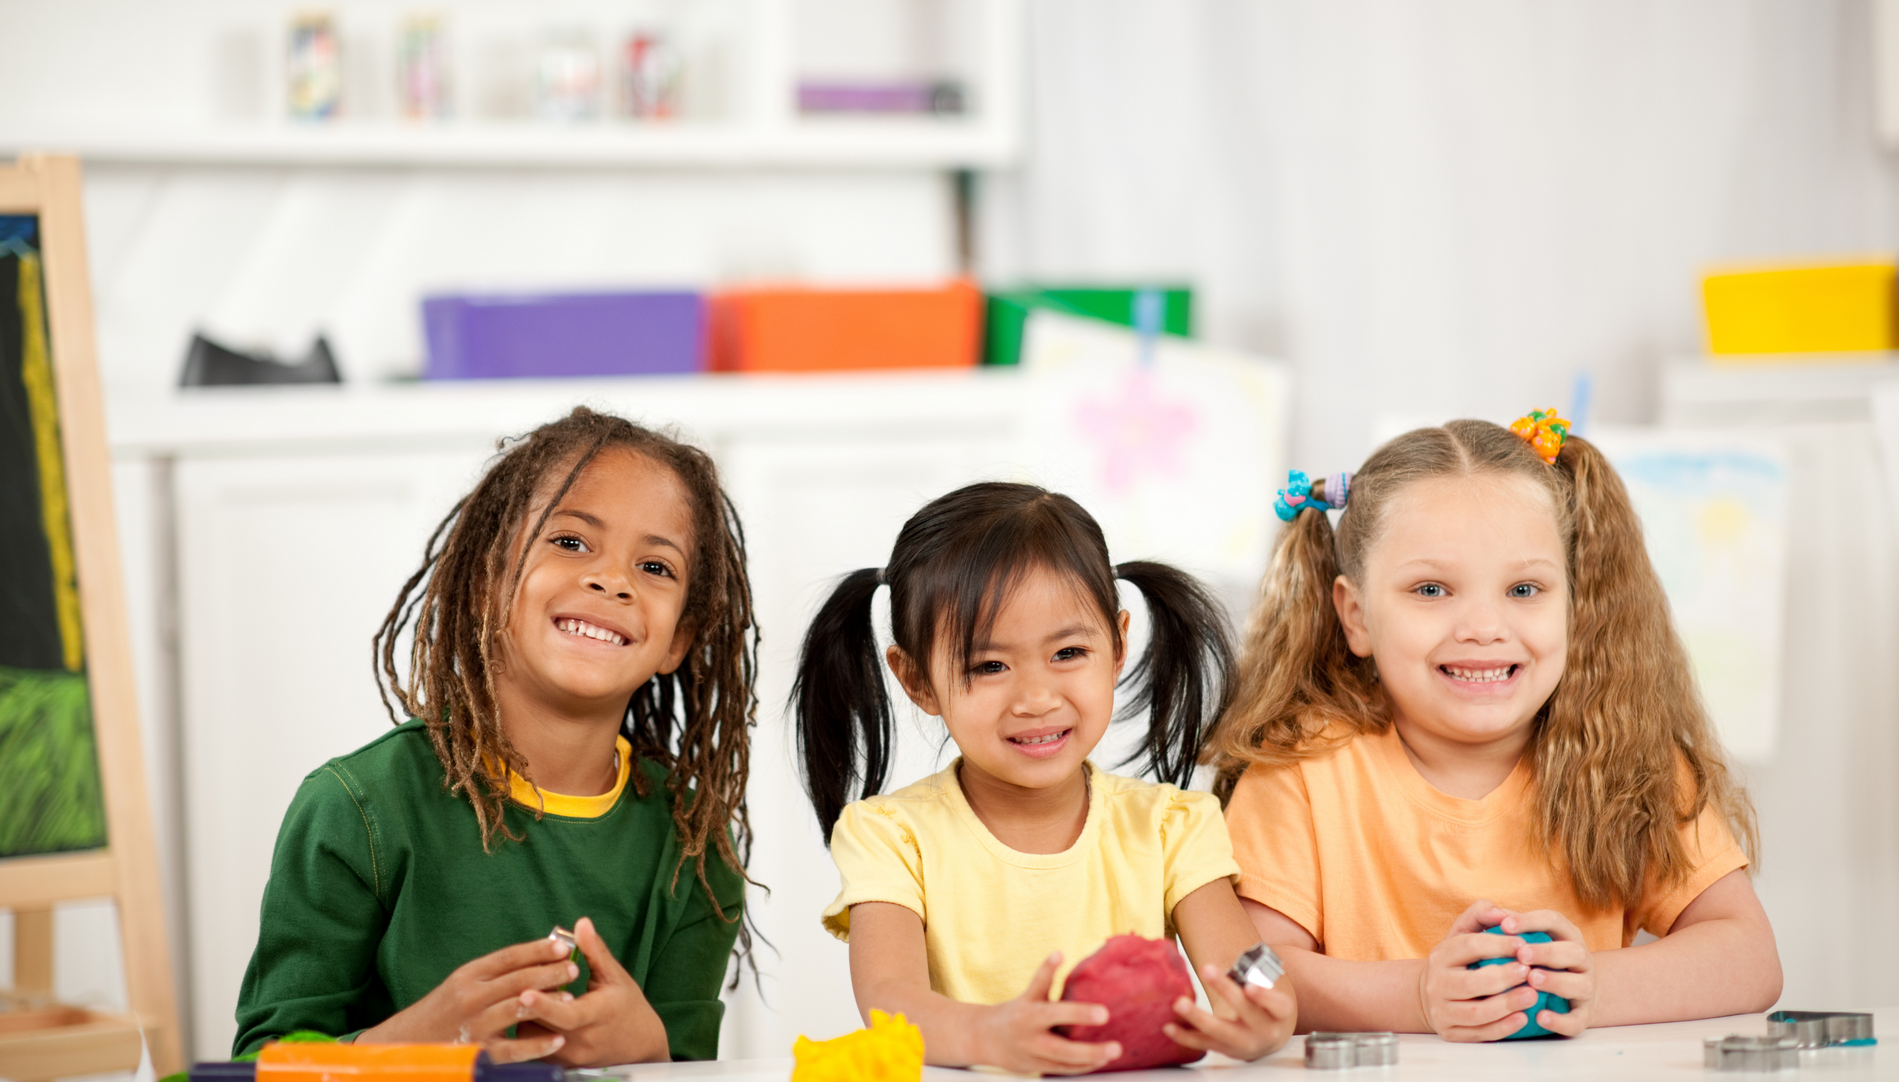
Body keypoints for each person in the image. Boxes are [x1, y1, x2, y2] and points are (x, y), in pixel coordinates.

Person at [1208, 415, 1781, 1041]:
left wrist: (1590, 985)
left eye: (1524, 588)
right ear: (1356, 616)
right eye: (1431, 589)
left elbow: (1750, 956)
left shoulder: (1627, 759)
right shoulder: (1299, 770)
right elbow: (1252, 973)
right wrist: (1419, 997)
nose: (1483, 626)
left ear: (1574, 604)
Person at [233, 408, 758, 1064]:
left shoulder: (694, 842)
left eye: (655, 567)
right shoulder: (356, 809)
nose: (612, 580)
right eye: (569, 542)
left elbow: (687, 1070)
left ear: (678, 637)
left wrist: (647, 1047)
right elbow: (260, 1065)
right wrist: (409, 1048)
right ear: (487, 579)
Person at [794, 481, 1297, 1074]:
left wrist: (1270, 1012)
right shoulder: (892, 835)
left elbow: (1251, 966)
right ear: (917, 680)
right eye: (989, 665)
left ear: (1116, 645)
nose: (1035, 699)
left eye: (1067, 653)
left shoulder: (1168, 826)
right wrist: (989, 1036)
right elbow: (890, 1001)